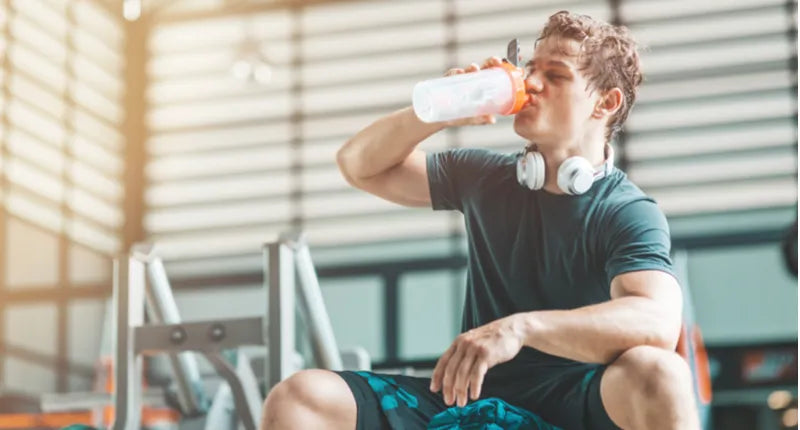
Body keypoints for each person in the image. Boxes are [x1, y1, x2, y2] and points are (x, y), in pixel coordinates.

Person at [262, 10, 700, 430]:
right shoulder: (484, 177)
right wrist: (434, 113)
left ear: (605, 102)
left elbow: (656, 323)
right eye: (532, 68)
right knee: (300, 399)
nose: (532, 83)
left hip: (578, 403)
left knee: (660, 373)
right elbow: (359, 165)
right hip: (468, 400)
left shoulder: (627, 211)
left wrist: (522, 328)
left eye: (557, 75)